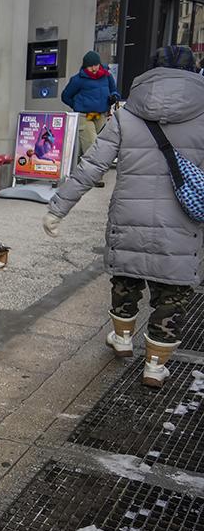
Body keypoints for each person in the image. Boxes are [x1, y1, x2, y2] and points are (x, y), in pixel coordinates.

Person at [43, 45, 204, 387]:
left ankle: (122, 338)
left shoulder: (127, 115)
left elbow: (92, 166)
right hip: (180, 226)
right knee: (171, 294)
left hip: (128, 219)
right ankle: (156, 366)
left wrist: (59, 207)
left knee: (125, 282)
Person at [61, 51, 121, 185]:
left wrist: (114, 96)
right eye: (90, 66)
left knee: (97, 145)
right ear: (85, 66)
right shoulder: (77, 80)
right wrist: (77, 106)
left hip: (101, 115)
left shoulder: (107, 76)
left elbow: (113, 89)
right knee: (92, 144)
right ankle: (93, 177)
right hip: (85, 115)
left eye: (96, 65)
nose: (94, 69)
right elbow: (65, 96)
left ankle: (78, 171)